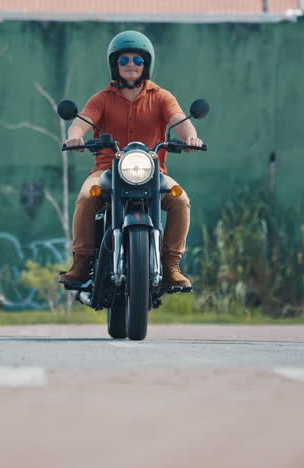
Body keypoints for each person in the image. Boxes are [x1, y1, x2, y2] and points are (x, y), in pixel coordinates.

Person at [58, 30, 202, 288]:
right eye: (124, 60)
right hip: (106, 170)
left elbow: (180, 121)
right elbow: (80, 123)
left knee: (181, 200)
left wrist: (191, 137)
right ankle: (81, 262)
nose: (131, 65)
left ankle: (170, 265)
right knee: (85, 197)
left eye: (138, 60)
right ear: (115, 65)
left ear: (146, 64)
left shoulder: (161, 97)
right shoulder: (102, 99)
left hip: (151, 172)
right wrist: (75, 137)